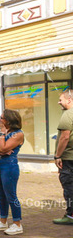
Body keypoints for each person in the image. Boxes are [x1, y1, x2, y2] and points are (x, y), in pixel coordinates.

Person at [0, 109, 24, 236]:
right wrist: (0, 152)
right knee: (1, 196)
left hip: (9, 167)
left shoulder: (18, 134)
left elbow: (3, 148)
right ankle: (3, 221)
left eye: (1, 118)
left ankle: (17, 224)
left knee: (11, 196)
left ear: (8, 120)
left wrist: (2, 135)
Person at [53, 89, 73, 225]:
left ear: (69, 100)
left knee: (69, 186)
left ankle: (70, 215)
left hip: (68, 159)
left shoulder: (68, 114)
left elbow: (65, 137)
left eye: (61, 100)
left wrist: (57, 155)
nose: (59, 102)